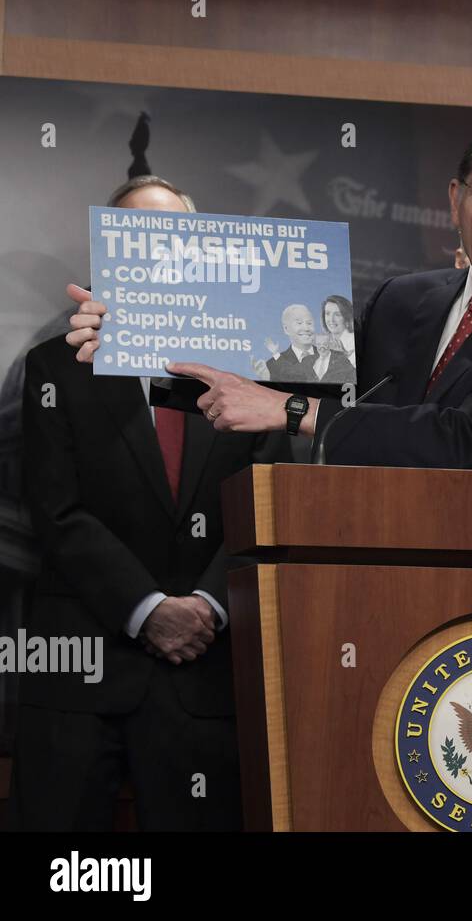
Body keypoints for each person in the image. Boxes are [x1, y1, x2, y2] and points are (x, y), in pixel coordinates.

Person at [66, 125, 472, 471]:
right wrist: (135, 342)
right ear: (456, 201)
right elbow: (283, 377)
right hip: (365, 560)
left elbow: (464, 440)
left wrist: (289, 412)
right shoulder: (403, 300)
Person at [11, 174, 290, 830]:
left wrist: (207, 606)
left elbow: (271, 499)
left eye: (173, 237)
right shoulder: (56, 367)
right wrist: (148, 610)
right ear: (109, 257)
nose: (156, 250)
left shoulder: (252, 373)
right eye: (136, 238)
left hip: (208, 678)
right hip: (80, 674)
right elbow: (54, 510)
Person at [264, 304, 325, 382]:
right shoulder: (273, 364)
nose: (306, 328)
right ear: (286, 329)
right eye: (299, 323)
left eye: (309, 323)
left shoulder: (331, 357)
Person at [318, 294, 357, 384]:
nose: (331, 319)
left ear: (346, 317)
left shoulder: (354, 343)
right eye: (327, 314)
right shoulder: (324, 343)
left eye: (337, 314)